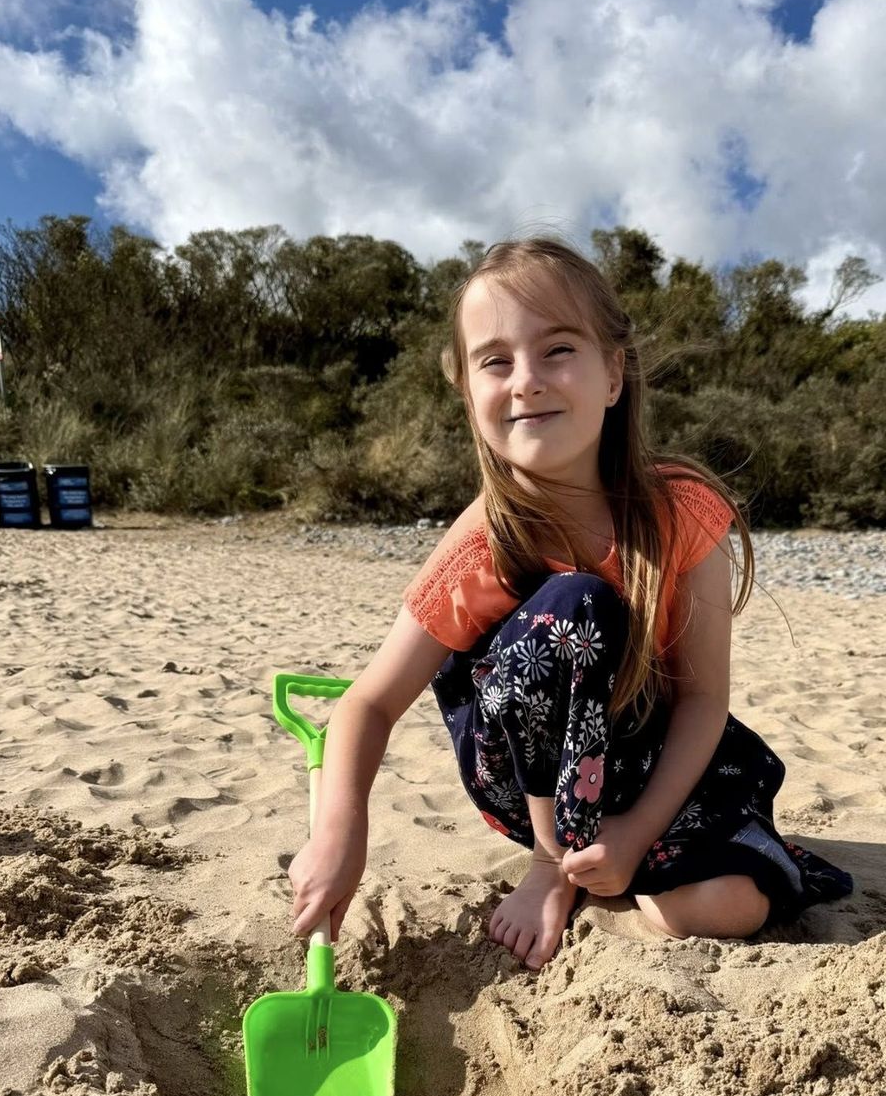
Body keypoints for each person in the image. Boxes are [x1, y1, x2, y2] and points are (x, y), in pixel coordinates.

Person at [289, 236, 852, 970]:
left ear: (613, 374)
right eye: (496, 361)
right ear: (468, 390)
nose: (525, 380)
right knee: (575, 605)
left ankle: (617, 862)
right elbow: (366, 702)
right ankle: (555, 864)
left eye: (557, 350)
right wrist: (340, 835)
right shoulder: (484, 539)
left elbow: (703, 700)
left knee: (712, 909)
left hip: (649, 755)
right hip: (530, 776)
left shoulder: (682, 512)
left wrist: (638, 831)